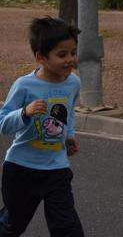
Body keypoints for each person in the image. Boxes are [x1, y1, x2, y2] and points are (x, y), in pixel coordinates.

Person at [0, 17, 84, 236]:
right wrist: (24, 112)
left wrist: (69, 136)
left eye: (73, 53)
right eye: (62, 54)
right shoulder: (25, 85)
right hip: (21, 169)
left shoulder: (73, 83)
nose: (70, 60)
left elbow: (69, 113)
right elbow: (3, 123)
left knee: (66, 226)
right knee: (13, 224)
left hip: (56, 168)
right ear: (41, 57)